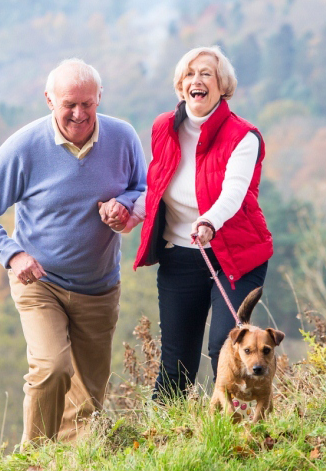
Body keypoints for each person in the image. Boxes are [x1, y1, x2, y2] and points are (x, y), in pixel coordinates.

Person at [0, 58, 146, 444]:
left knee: (89, 399)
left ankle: (67, 460)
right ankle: (35, 457)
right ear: (49, 100)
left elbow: (143, 189)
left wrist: (125, 205)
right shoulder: (25, 146)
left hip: (99, 286)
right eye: (69, 104)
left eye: (88, 103)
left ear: (100, 98)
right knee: (52, 367)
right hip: (39, 281)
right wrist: (13, 255)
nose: (79, 114)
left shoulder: (124, 137)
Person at [106, 46, 273, 399]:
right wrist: (129, 214)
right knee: (176, 363)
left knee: (224, 348)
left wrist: (209, 221)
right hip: (180, 256)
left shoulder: (244, 136)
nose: (196, 80)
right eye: (189, 74)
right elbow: (158, 185)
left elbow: (234, 193)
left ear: (222, 85)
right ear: (180, 85)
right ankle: (163, 438)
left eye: (206, 74)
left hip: (235, 257)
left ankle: (236, 429)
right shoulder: (164, 127)